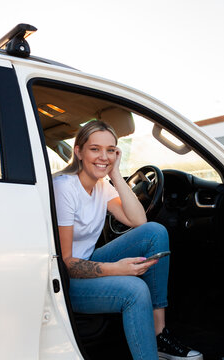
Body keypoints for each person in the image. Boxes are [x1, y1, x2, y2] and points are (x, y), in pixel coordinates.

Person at [53, 120, 203, 360]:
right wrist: (115, 269)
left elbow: (138, 221)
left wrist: (114, 174)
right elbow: (67, 263)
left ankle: (158, 334)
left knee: (155, 231)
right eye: (95, 149)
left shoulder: (102, 186)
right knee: (134, 290)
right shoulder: (65, 189)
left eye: (110, 150)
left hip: (87, 262)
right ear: (78, 152)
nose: (104, 156)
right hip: (64, 280)